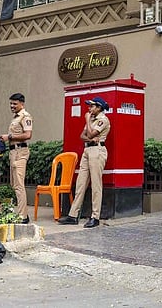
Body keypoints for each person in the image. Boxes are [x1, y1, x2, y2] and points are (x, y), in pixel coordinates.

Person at [58, 96, 110, 228]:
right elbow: (82, 136)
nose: (89, 108)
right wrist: (90, 136)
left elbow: (91, 133)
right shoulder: (92, 119)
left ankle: (95, 217)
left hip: (97, 152)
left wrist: (87, 121)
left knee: (96, 185)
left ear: (99, 107)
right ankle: (73, 215)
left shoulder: (102, 120)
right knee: (81, 183)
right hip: (87, 151)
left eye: (92, 106)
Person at [0, 93, 33, 224]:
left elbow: (28, 135)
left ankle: (22, 216)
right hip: (13, 152)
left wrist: (9, 137)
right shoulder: (15, 118)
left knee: (19, 185)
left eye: (15, 104)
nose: (12, 106)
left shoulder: (25, 116)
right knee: (14, 184)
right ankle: (23, 213)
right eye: (11, 104)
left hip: (20, 152)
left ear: (22, 104)